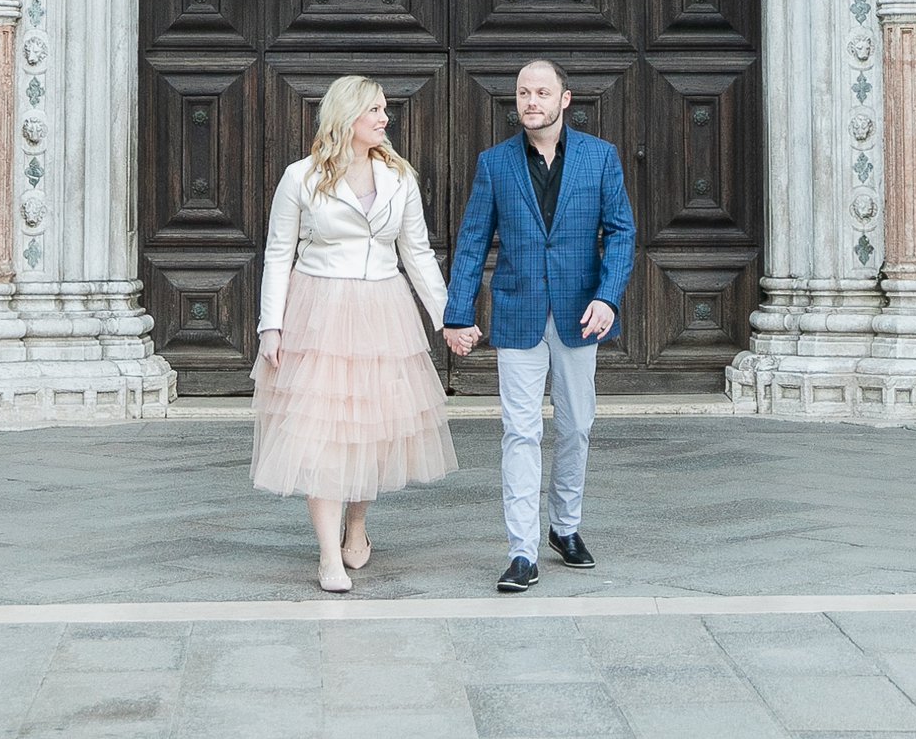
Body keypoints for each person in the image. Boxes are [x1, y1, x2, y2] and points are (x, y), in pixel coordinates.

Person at [252, 75, 456, 594]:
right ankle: (328, 557)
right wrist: (271, 325)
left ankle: (357, 523)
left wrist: (448, 318)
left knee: (372, 429)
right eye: (375, 110)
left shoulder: (399, 177)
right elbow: (278, 253)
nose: (385, 118)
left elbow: (417, 253)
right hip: (318, 311)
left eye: (385, 109)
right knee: (321, 434)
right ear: (347, 116)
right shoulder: (301, 177)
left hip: (382, 311)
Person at [443, 58, 636, 594]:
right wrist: (457, 314)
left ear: (564, 99)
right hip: (518, 312)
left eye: (542, 93)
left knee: (576, 426)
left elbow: (621, 233)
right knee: (520, 432)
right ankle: (522, 552)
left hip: (581, 315)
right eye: (524, 92)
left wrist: (608, 297)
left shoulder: (600, 157)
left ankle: (565, 527)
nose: (531, 101)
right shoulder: (495, 163)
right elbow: (472, 242)